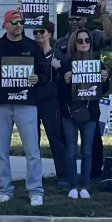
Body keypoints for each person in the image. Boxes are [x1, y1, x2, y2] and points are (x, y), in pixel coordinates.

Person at [0, 10, 47, 206]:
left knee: (32, 150)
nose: (18, 25)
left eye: (20, 22)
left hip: (26, 103)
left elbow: (45, 73)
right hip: (0, 105)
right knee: (1, 151)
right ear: (5, 25)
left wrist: (38, 78)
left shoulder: (32, 47)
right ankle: (4, 190)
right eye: (14, 22)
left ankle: (35, 191)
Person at [60, 29, 109, 199]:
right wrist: (64, 80)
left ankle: (86, 186)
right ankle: (73, 186)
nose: (84, 43)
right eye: (80, 40)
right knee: (71, 151)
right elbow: (59, 91)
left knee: (87, 151)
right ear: (74, 43)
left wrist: (105, 79)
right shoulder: (66, 63)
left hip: (90, 114)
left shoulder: (97, 62)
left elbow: (103, 90)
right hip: (69, 113)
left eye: (86, 40)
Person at [32, 21, 67, 186]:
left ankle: (63, 176)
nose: (39, 35)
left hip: (51, 102)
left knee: (55, 138)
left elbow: (66, 79)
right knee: (33, 141)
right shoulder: (31, 55)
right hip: (32, 101)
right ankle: (35, 176)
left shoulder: (57, 55)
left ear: (50, 34)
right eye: (36, 32)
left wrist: (59, 69)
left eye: (42, 31)